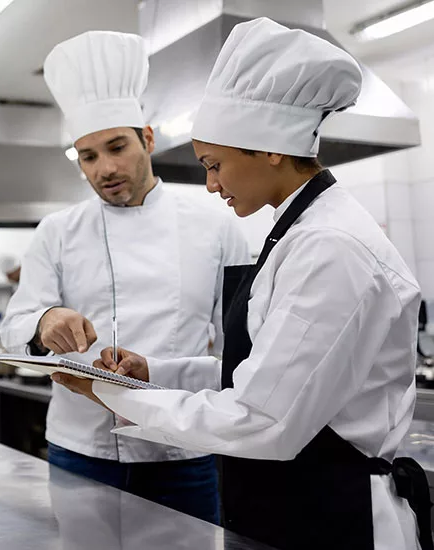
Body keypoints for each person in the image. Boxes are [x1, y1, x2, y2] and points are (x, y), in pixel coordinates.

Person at [52, 18, 433, 550]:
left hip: (335, 517)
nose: (210, 184)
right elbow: (271, 374)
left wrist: (116, 395)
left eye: (214, 164)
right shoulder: (301, 232)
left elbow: (263, 418)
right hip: (296, 503)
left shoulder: (331, 248)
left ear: (271, 149)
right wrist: (154, 373)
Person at [0, 30, 250, 524]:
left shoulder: (218, 223)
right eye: (88, 157)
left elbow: (238, 348)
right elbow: (14, 325)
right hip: (80, 448)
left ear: (148, 138)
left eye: (117, 147)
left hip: (181, 451)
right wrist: (45, 318)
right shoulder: (56, 231)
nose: (105, 168)